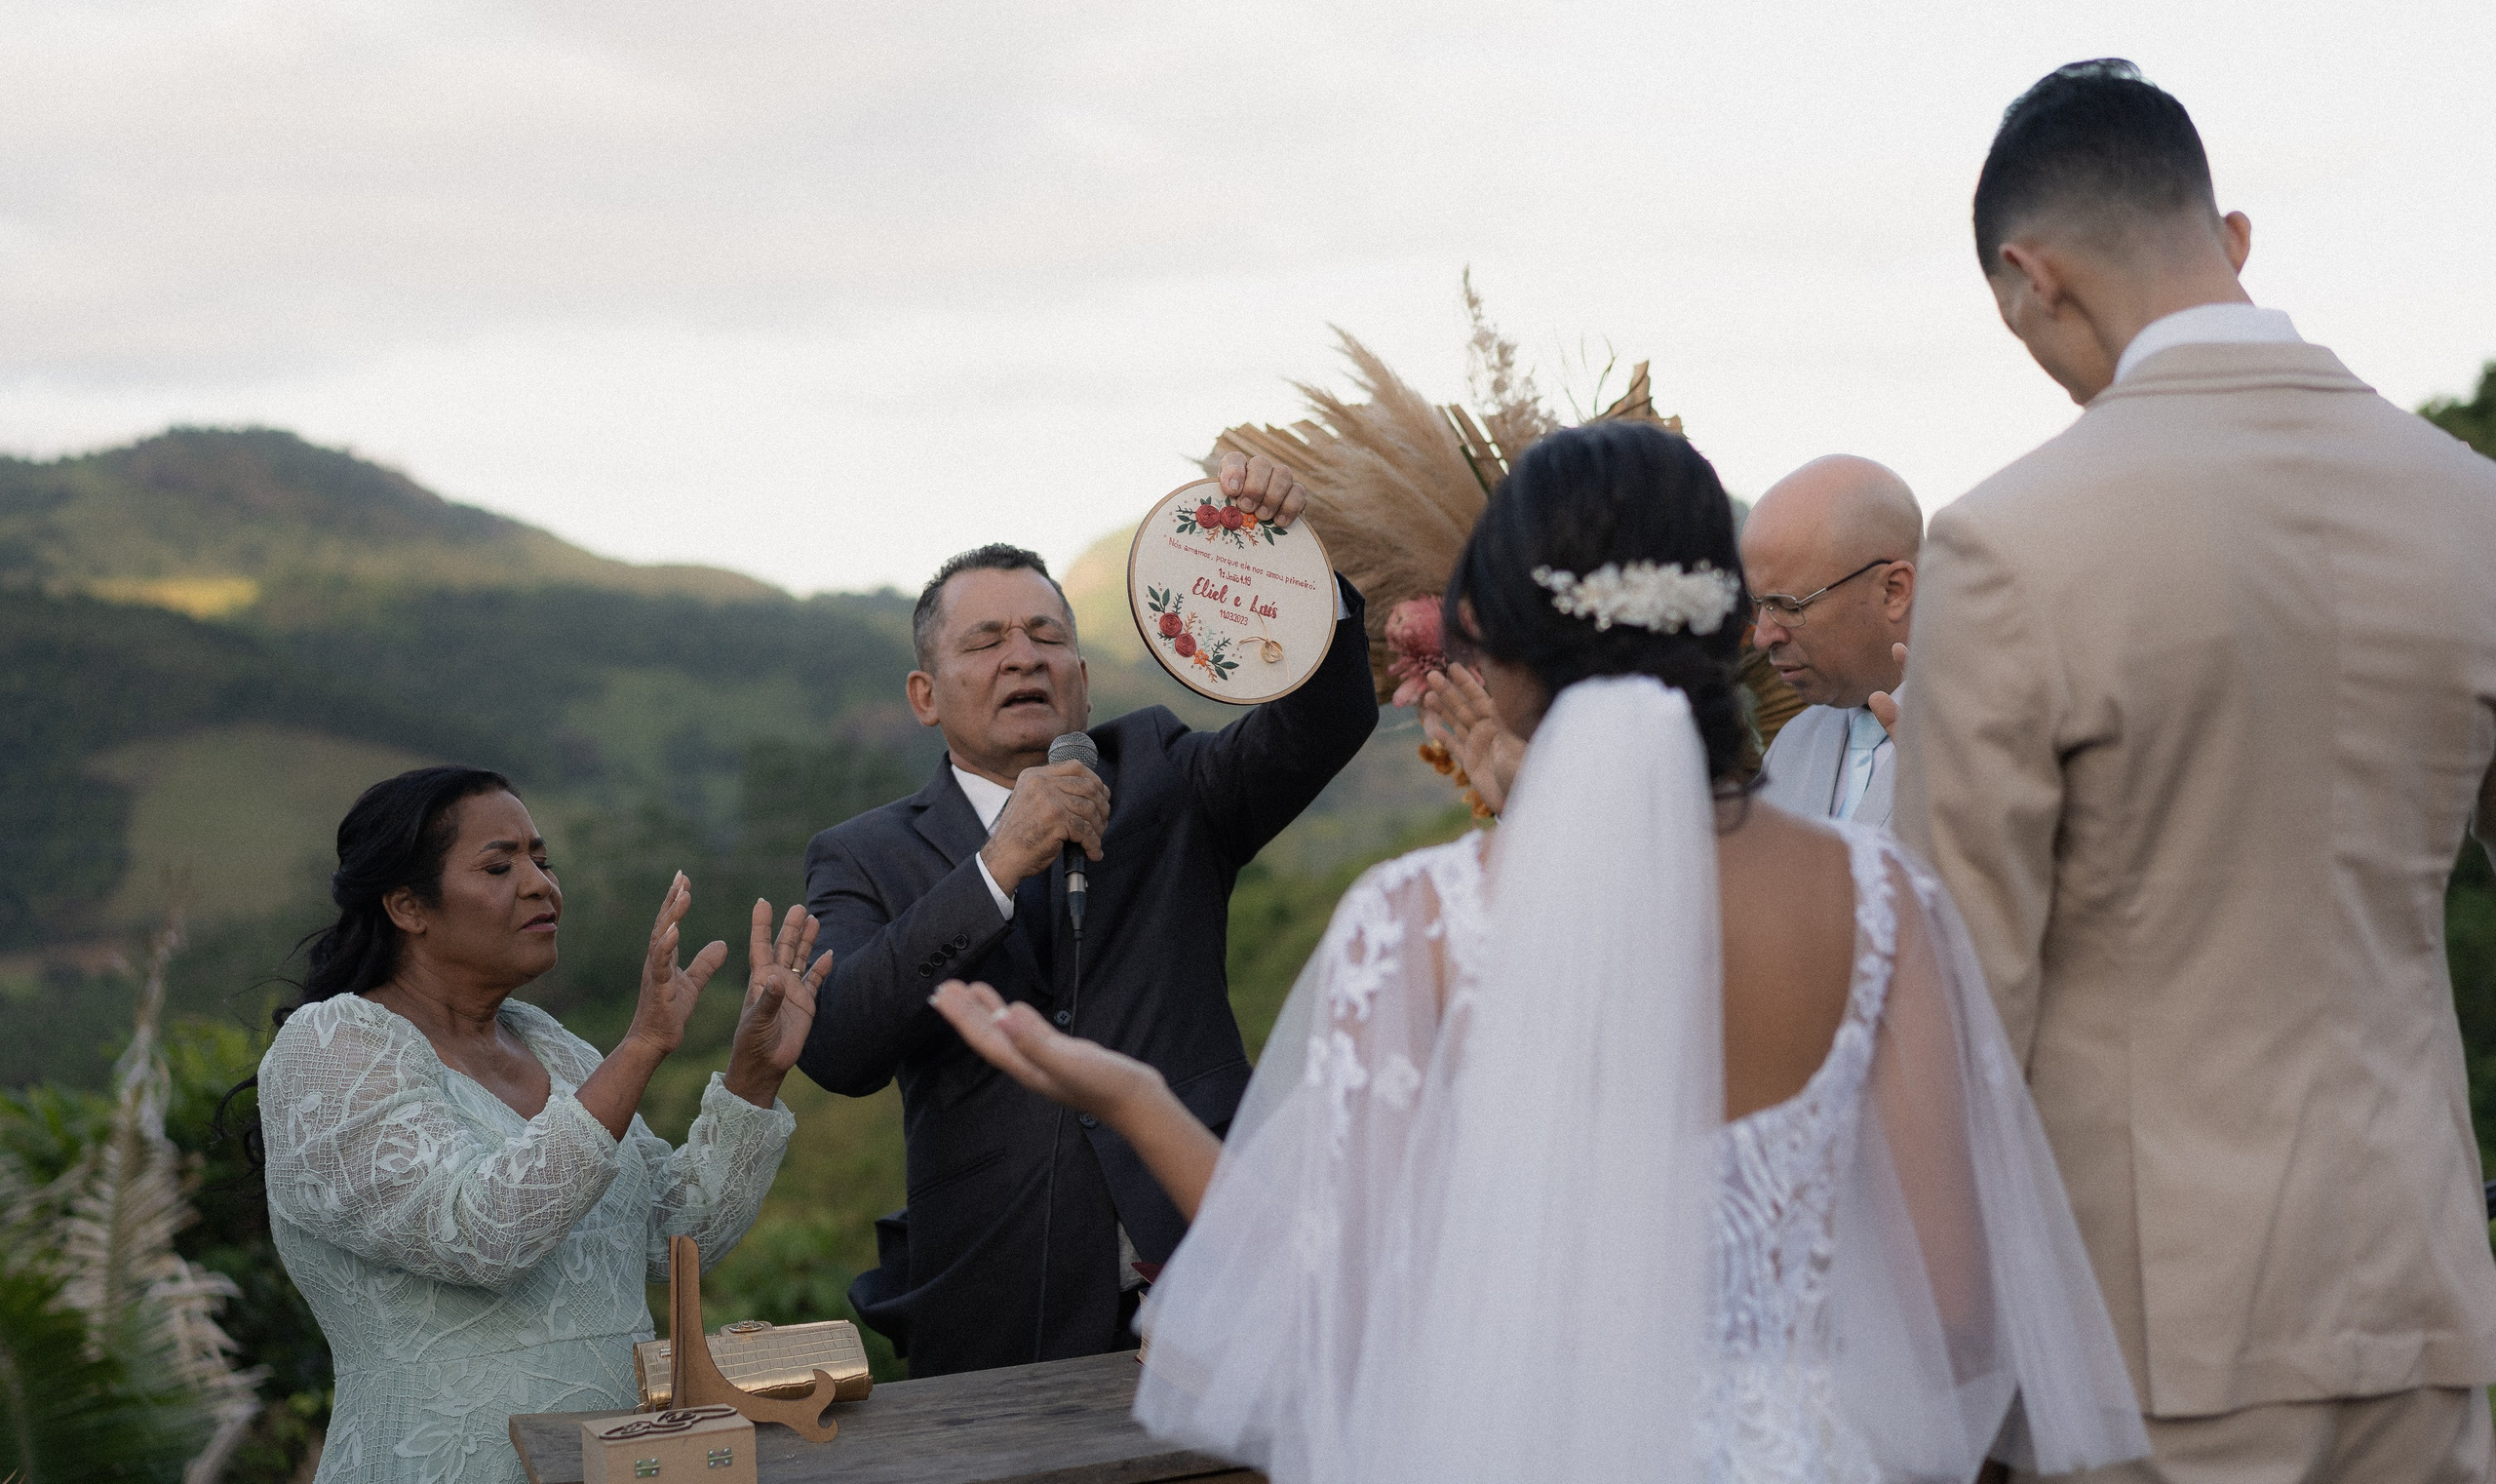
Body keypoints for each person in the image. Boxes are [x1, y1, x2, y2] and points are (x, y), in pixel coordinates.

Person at [932, 421, 2147, 1482]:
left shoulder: (1417, 927)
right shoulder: (1884, 903)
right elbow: (1957, 1310)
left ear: (1493, 643)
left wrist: (1135, 1101)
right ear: (1726, 625)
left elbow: (1321, 1311)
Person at [1894, 59, 2496, 1482]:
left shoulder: (2008, 545)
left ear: (2032, 278)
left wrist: (1939, 1357)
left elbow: (1960, 997)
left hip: (2143, 1340)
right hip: (2425, 1293)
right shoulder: (2469, 505)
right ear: (2228, 236)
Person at [796, 451, 1379, 1376]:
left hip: (1218, 1273)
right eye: (985, 641)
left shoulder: (1162, 773)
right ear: (924, 695)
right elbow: (837, 1044)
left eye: (1046, 635)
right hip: (1000, 1305)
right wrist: (996, 864)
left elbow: (1323, 724)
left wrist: (1300, 572)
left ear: (1081, 673)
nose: (1022, 655)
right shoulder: (863, 854)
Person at [255, 766, 826, 1484]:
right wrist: (642, 1046)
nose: (540, 885)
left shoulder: (551, 1045)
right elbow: (482, 1234)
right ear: (407, 905)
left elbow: (674, 1238)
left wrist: (753, 1075)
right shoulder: (330, 1047)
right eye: (500, 866)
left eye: (542, 859)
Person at [1741, 454, 1920, 827]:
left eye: (1788, 605)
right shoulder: (1792, 745)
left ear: (1893, 591)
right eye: (1758, 606)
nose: (1762, 637)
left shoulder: (1998, 739)